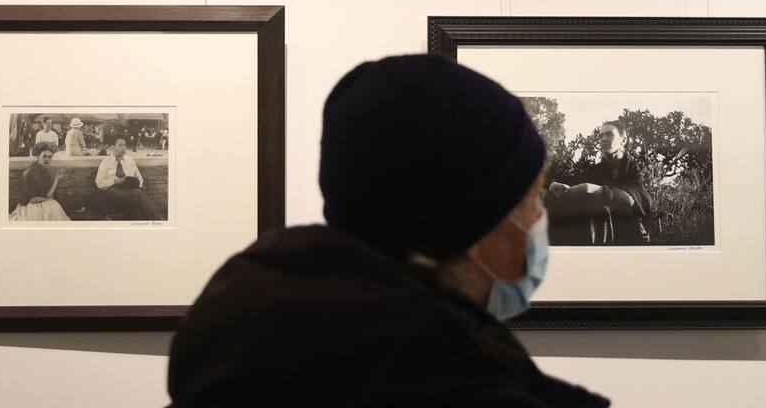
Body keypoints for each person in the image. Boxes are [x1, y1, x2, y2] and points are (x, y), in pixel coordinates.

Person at [167, 55, 609, 407]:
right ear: (475, 226)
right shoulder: (454, 387)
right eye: (532, 198)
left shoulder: (244, 347)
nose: (538, 218)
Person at [545, 120, 653, 245]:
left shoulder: (631, 169)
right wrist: (552, 184)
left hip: (628, 235)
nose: (603, 139)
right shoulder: (595, 171)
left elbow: (641, 200)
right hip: (602, 235)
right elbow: (570, 181)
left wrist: (595, 190)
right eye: (601, 136)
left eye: (609, 135)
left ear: (623, 140)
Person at [94, 138, 165, 220]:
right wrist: (116, 181)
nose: (123, 148)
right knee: (138, 194)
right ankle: (159, 220)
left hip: (129, 191)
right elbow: (99, 183)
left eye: (125, 145)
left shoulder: (129, 160)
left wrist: (136, 184)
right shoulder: (106, 162)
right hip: (112, 191)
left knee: (136, 207)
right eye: (120, 145)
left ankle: (142, 224)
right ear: (113, 147)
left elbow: (139, 178)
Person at [9, 143, 70, 221]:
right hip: (30, 206)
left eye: (50, 157)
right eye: (44, 156)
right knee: (54, 206)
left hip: (41, 202)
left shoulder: (46, 171)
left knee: (54, 206)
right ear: (38, 157)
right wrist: (48, 199)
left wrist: (57, 178)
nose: (47, 159)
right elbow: (32, 199)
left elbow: (48, 195)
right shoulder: (30, 173)